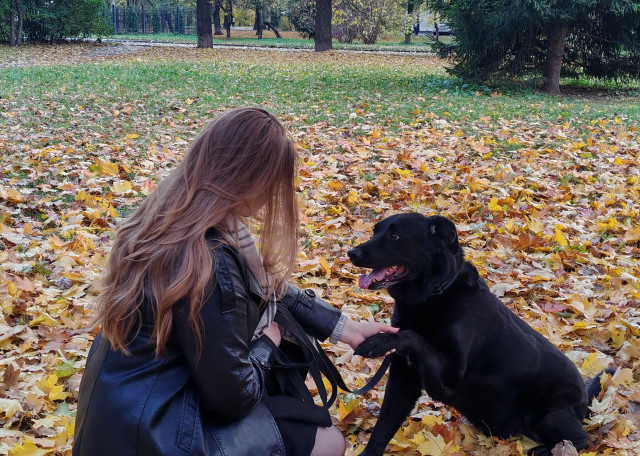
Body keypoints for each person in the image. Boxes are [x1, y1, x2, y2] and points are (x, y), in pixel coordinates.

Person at [73, 107, 398, 456]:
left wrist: (345, 328)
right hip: (157, 435)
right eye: (271, 181)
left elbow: (264, 288)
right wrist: (267, 345)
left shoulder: (170, 218)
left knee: (302, 420)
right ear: (249, 179)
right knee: (328, 442)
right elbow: (232, 397)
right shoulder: (209, 260)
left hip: (119, 418)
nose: (271, 195)